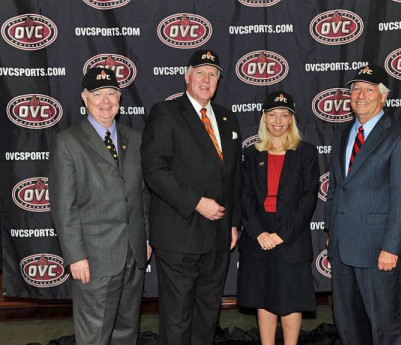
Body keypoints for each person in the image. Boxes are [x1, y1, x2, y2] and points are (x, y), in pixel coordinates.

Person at [141, 49, 242, 345]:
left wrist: (234, 223)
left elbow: (234, 176)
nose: (206, 79)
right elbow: (155, 171)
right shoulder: (166, 113)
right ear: (187, 77)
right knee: (177, 317)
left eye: (212, 74)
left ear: (218, 82)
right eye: (200, 72)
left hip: (219, 236)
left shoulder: (227, 118)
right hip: (179, 236)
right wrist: (197, 202)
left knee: (208, 315)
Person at [49, 67, 151, 345]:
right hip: (94, 259)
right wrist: (75, 256)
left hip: (133, 254)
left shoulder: (136, 139)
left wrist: (146, 237)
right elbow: (63, 206)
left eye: (111, 94)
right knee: (94, 335)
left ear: (119, 98)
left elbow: (143, 194)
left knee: (127, 330)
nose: (105, 101)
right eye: (97, 94)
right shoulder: (68, 143)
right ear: (85, 98)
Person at [324, 64, 401, 345]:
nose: (361, 95)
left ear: (384, 97)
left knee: (387, 329)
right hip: (343, 250)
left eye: (369, 89)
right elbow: (336, 188)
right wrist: (332, 233)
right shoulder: (342, 135)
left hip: (378, 251)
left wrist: (392, 247)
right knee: (348, 327)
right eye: (356, 89)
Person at [237, 91, 320, 345]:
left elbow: (308, 199)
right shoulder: (252, 153)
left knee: (290, 299)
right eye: (272, 114)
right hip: (259, 237)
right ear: (264, 117)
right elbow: (245, 196)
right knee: (265, 297)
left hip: (291, 237)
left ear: (291, 119)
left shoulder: (305, 152)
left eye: (284, 115)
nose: (278, 120)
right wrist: (259, 232)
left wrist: (282, 235)